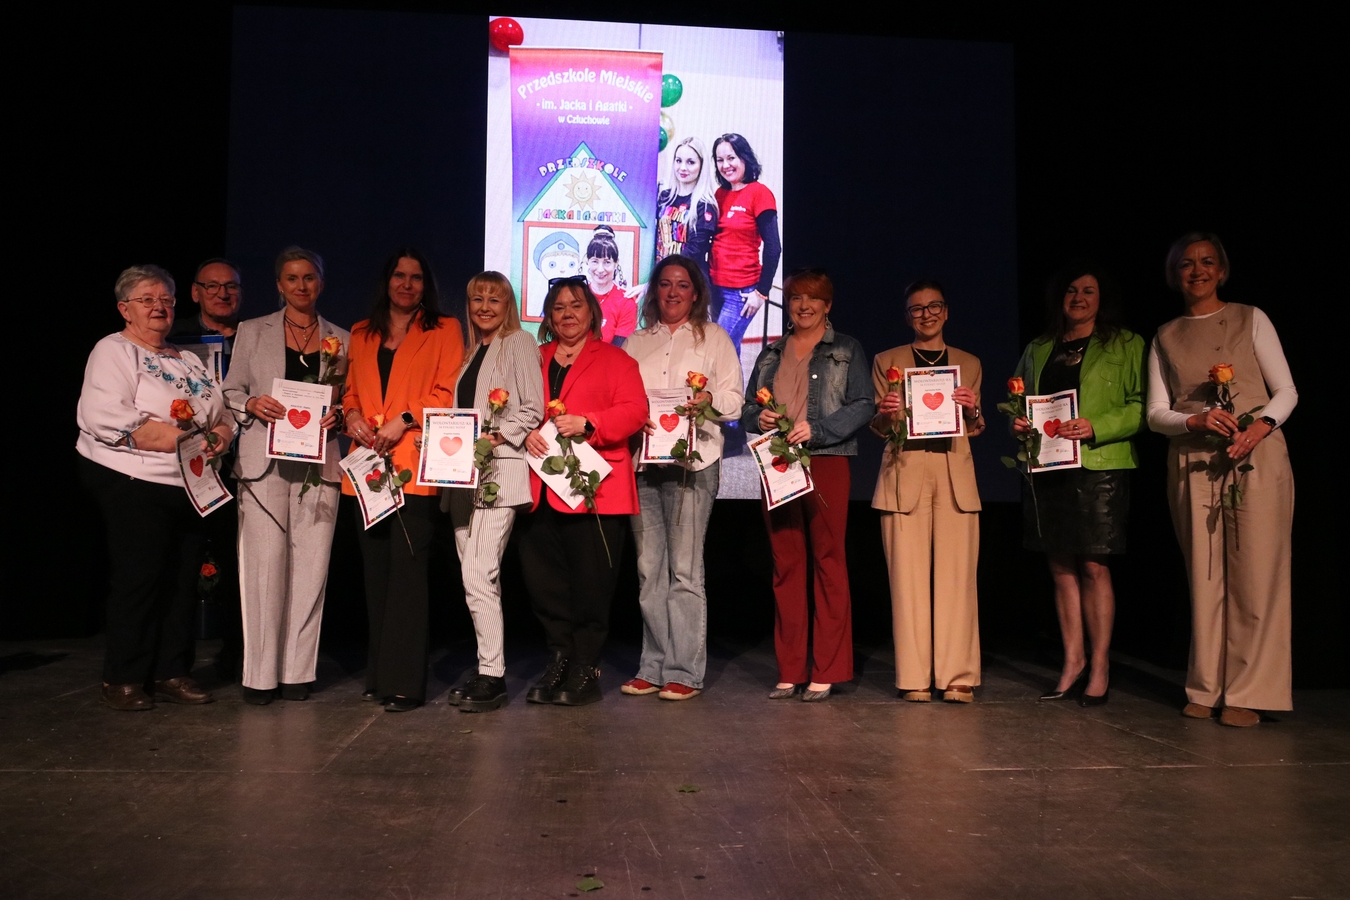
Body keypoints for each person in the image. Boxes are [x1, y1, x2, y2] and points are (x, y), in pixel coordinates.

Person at [1147, 233, 1296, 727]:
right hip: (1194, 459)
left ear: (1223, 270)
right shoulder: (1165, 335)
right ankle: (1207, 685)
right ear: (1175, 275)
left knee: (1257, 574)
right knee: (1205, 574)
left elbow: (1286, 390)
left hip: (1256, 454)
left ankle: (1249, 691)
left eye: (1207, 262)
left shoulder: (1251, 318)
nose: (1198, 271)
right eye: (1186, 264)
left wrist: (1260, 426)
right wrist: (1193, 420)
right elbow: (1156, 413)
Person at [77, 265, 234, 710]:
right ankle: (123, 676)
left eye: (166, 299)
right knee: (140, 578)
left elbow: (221, 412)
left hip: (190, 483)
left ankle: (171, 671)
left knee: (182, 582)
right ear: (125, 308)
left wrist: (221, 435)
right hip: (134, 478)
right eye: (147, 299)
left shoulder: (186, 358)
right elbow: (108, 417)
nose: (159, 307)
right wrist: (188, 439)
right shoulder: (114, 350)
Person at [1011, 267, 1144, 706]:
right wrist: (1019, 422)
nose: (1079, 297)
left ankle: (1100, 665)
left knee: (1093, 566)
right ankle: (1073, 662)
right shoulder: (1038, 347)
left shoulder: (1125, 344)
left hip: (1098, 466)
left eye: (1089, 290)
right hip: (1048, 465)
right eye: (1071, 290)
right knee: (1060, 567)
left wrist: (1096, 426)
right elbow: (1018, 399)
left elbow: (1141, 406)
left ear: (1102, 298)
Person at [222, 246, 349, 705]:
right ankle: (260, 675)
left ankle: (297, 672)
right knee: (264, 566)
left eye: (309, 278)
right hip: (264, 463)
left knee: (311, 569)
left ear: (321, 283)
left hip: (319, 463)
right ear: (279, 285)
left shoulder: (342, 338)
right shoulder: (253, 331)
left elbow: (349, 400)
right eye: (292, 278)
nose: (301, 286)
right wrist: (252, 403)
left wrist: (340, 415)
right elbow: (231, 390)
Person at [739, 270, 872, 701]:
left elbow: (864, 404)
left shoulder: (846, 348)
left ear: (827, 305)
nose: (803, 305)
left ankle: (827, 668)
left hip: (826, 461)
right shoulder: (771, 353)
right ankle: (791, 667)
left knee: (828, 561)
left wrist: (819, 430)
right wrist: (756, 417)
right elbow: (746, 408)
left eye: (813, 298)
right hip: (778, 461)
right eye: (796, 297)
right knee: (786, 562)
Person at [344, 249, 464, 712]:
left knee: (408, 574)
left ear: (425, 285)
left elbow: (448, 390)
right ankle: (379, 674)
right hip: (366, 466)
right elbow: (350, 391)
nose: (407, 284)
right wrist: (352, 415)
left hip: (414, 464)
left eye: (415, 277)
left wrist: (406, 419)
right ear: (387, 280)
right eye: (399, 275)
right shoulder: (361, 332)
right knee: (375, 573)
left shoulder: (445, 329)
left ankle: (405, 683)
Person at [520, 277, 647, 706]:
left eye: (575, 305)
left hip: (594, 491)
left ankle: (586, 667)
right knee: (545, 585)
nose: (567, 314)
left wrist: (589, 422)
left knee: (591, 586)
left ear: (592, 311)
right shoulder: (533, 358)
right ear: (548, 317)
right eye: (558, 308)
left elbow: (635, 411)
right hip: (539, 487)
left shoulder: (616, 359)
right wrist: (523, 434)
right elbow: (517, 410)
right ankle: (558, 658)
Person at [622, 256, 743, 700]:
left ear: (696, 293)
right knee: (649, 569)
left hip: (695, 464)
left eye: (683, 285)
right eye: (665, 284)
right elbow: (623, 399)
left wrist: (708, 398)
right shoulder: (635, 343)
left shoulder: (714, 338)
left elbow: (735, 399)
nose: (673, 292)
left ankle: (684, 672)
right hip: (644, 465)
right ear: (654, 291)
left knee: (685, 571)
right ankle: (652, 666)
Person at [872, 280, 986, 704]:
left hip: (954, 472)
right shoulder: (887, 361)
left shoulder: (968, 363)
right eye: (917, 309)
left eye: (934, 306)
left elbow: (975, 425)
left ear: (946, 312)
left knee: (958, 580)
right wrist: (887, 414)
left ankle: (957, 676)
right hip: (905, 471)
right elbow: (879, 427)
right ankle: (914, 676)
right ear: (908, 316)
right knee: (907, 582)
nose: (926, 314)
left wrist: (972, 408)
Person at [444, 272, 544, 712]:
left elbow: (532, 408)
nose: (484, 307)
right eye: (477, 299)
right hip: (462, 479)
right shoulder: (471, 354)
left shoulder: (518, 342)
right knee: (477, 580)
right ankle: (487, 665)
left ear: (508, 306)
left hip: (498, 474)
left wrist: (496, 437)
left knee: (477, 574)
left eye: (494, 299)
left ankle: (493, 676)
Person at [170, 257, 244, 681]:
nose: (222, 293)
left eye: (230, 286)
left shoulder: (254, 335)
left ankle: (238, 656)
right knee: (183, 568)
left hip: (241, 468)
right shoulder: (174, 336)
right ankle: (174, 666)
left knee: (238, 567)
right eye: (212, 286)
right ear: (195, 292)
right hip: (188, 467)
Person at [709, 133, 781, 359]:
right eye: (720, 160)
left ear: (744, 158)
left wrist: (762, 292)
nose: (725, 165)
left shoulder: (760, 194)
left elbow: (774, 247)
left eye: (731, 158)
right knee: (730, 354)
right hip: (715, 288)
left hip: (741, 293)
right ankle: (736, 385)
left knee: (717, 351)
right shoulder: (720, 194)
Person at [587, 225, 636, 347]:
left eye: (607, 262)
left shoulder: (626, 302)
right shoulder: (575, 296)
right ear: (587, 261)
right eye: (595, 261)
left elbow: (618, 349)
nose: (600, 269)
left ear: (616, 263)